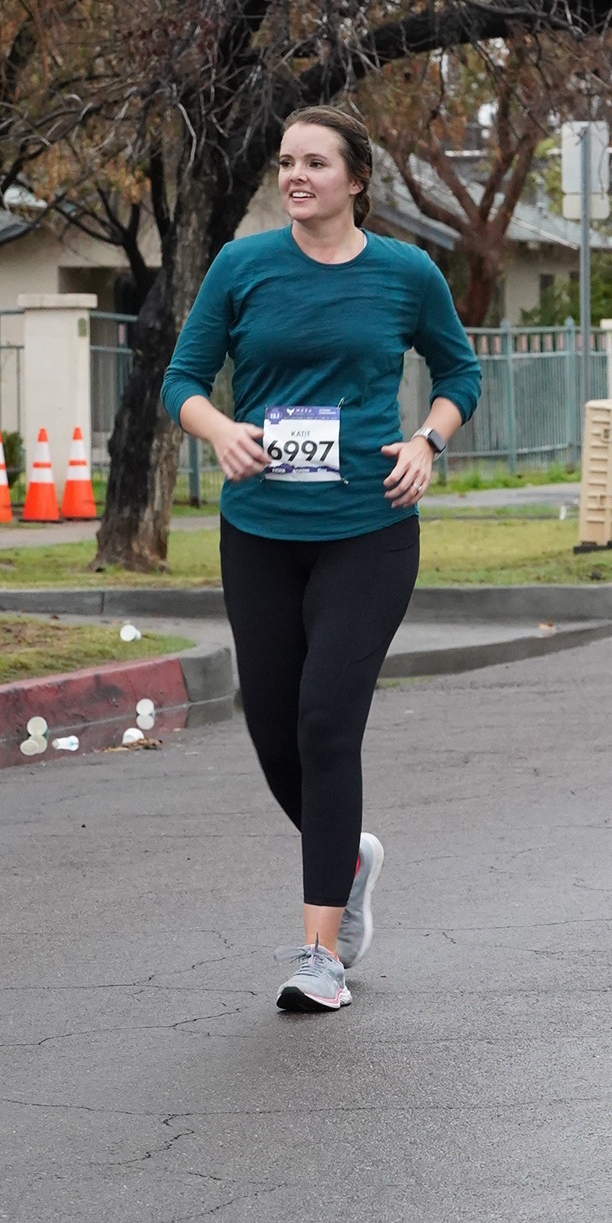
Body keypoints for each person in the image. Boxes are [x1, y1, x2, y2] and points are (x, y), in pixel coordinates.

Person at [163, 106, 481, 1013]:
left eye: (315, 162)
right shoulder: (243, 266)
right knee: (273, 730)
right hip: (260, 531)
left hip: (368, 528)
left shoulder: (406, 272)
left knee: (326, 723)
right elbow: (182, 380)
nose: (295, 177)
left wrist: (426, 442)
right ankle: (348, 859)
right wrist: (219, 430)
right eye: (286, 163)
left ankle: (320, 952)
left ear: (356, 179)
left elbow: (459, 375)